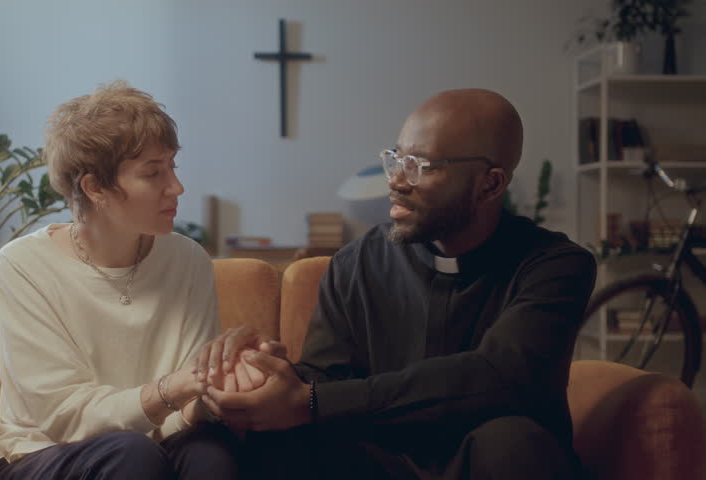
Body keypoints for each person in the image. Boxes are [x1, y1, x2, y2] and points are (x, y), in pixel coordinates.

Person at [197, 88, 597, 479]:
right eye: (396, 159)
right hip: (380, 461)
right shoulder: (356, 263)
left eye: (420, 166)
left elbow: (498, 374)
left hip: (490, 462)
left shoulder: (555, 267)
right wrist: (264, 371)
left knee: (512, 440)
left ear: (489, 185)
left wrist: (312, 401)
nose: (396, 181)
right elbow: (325, 380)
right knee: (274, 441)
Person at [0, 81, 241, 480]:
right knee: (131, 454)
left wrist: (226, 387)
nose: (176, 187)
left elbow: (185, 407)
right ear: (95, 187)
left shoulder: (187, 259)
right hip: (43, 452)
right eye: (153, 173)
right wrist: (171, 391)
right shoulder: (22, 265)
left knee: (211, 455)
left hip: (154, 446)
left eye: (173, 166)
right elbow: (63, 419)